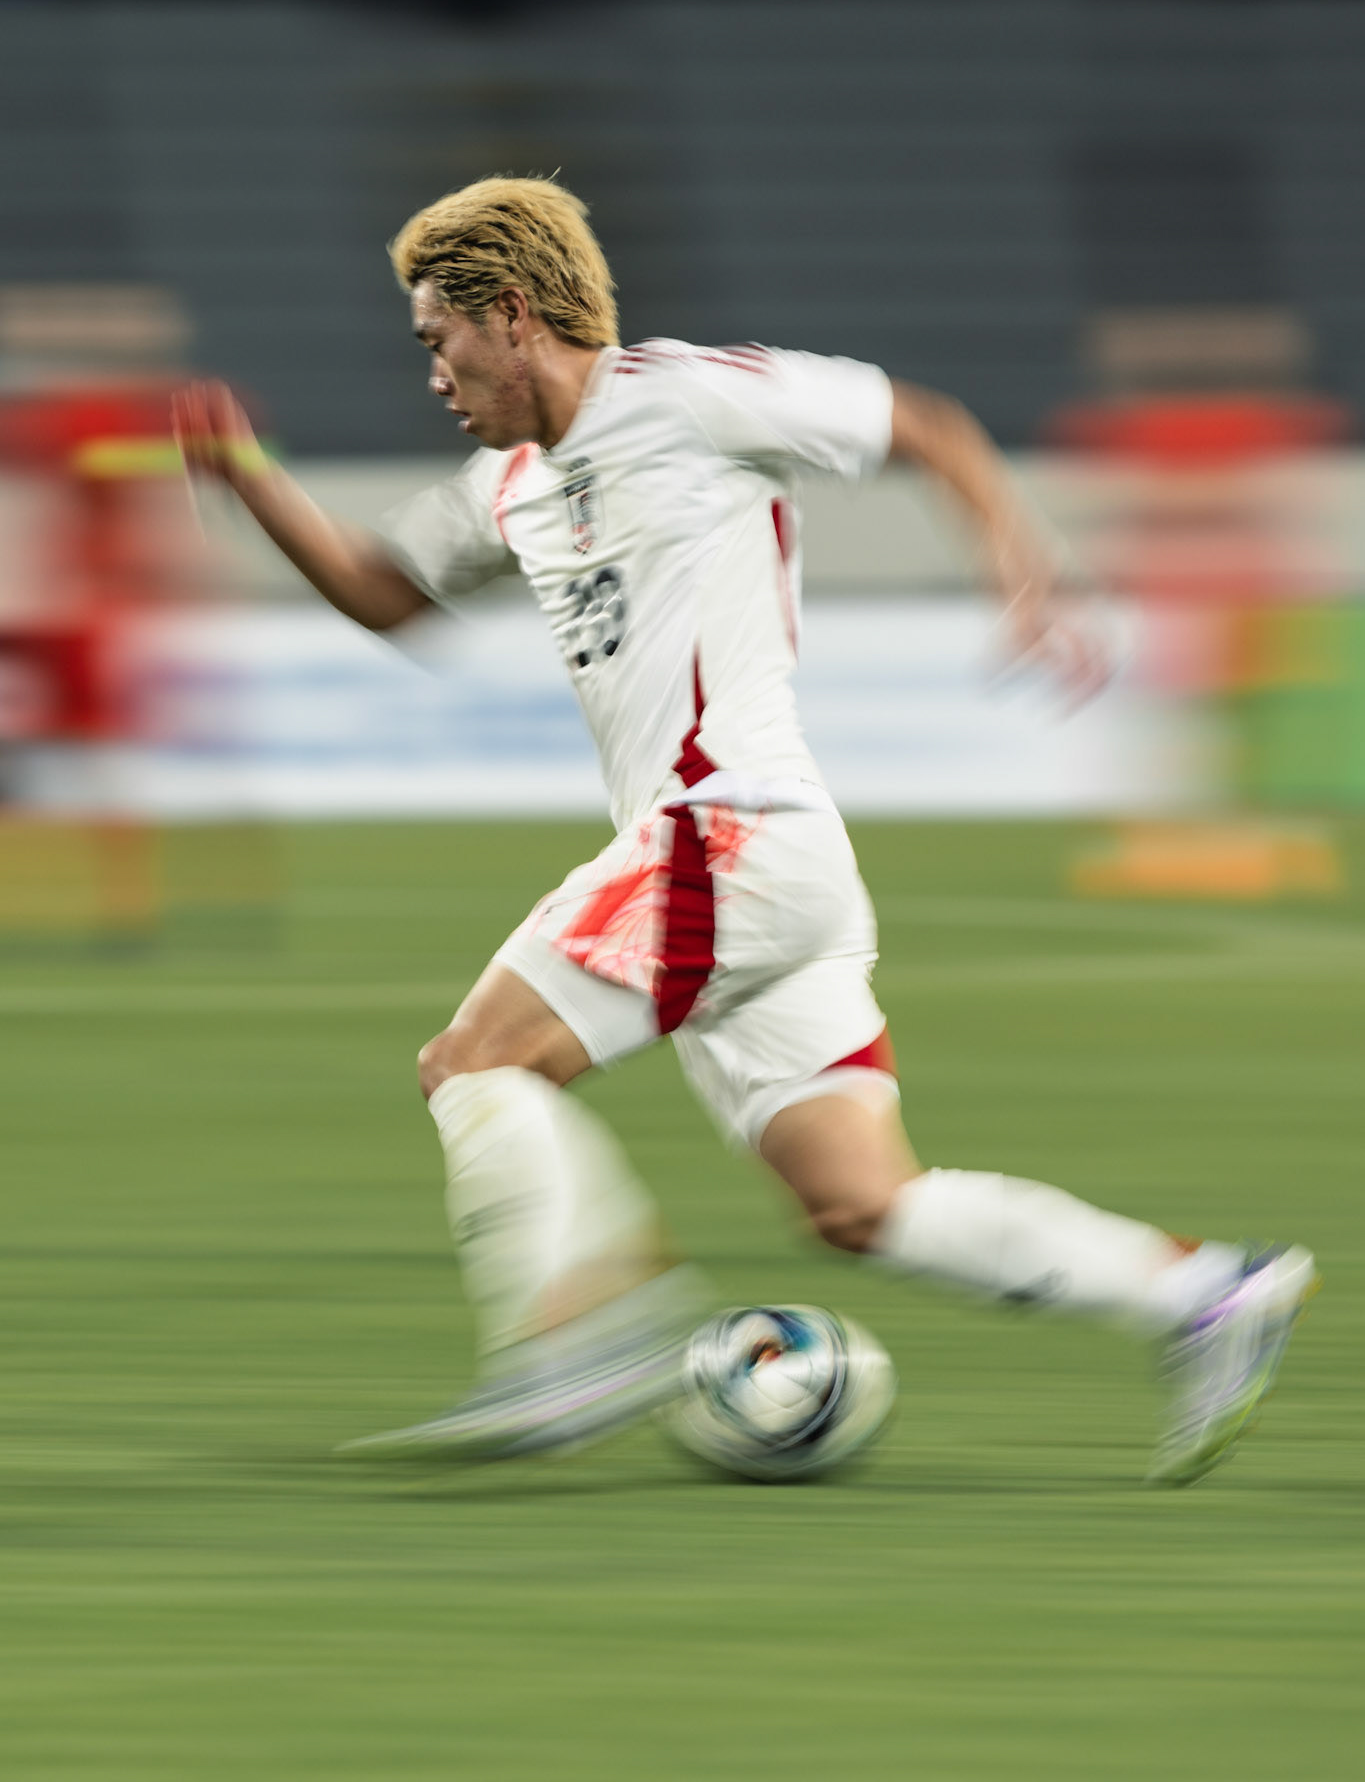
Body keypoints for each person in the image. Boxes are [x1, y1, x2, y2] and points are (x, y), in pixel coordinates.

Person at [173, 176, 1315, 1486]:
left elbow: (922, 427)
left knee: (474, 1064)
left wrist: (1023, 569)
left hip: (726, 835)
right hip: (772, 873)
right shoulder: (513, 487)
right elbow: (387, 592)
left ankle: (580, 1333)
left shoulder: (686, 394)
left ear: (508, 312)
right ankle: (1207, 1297)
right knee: (861, 1204)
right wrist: (251, 480)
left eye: (437, 339)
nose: (431, 373)